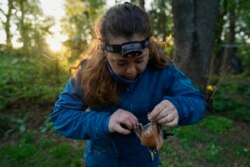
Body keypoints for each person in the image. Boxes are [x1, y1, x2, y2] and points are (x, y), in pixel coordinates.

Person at [51, 2, 206, 167]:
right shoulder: (88, 73)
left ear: (149, 47)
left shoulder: (163, 70)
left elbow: (197, 101)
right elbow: (61, 116)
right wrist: (105, 121)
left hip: (145, 161)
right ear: (104, 52)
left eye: (140, 60)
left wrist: (179, 106)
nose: (132, 70)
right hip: (102, 161)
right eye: (121, 63)